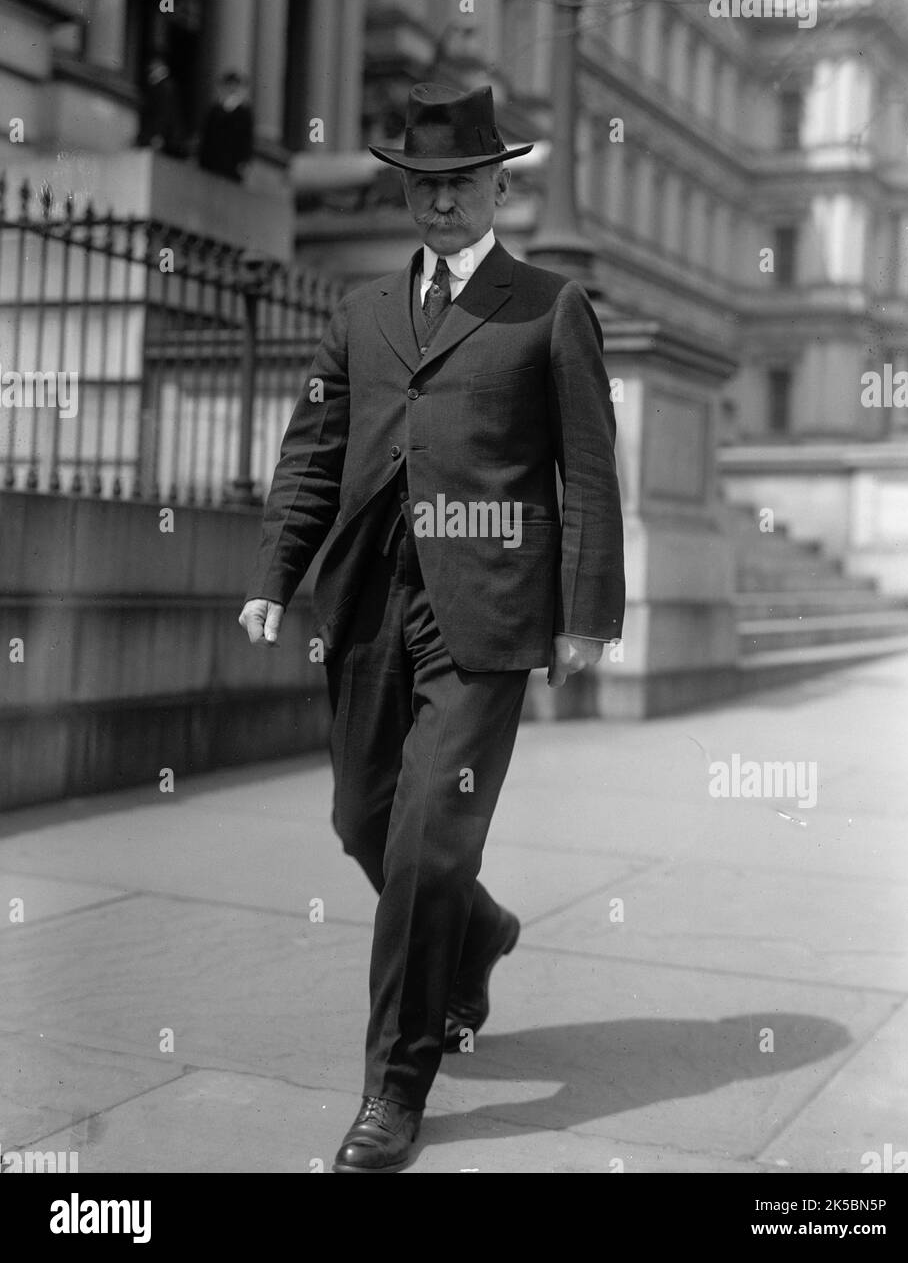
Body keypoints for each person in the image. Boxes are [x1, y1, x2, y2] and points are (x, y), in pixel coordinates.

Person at [238, 82, 626, 1174]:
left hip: (487, 618)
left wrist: (587, 612)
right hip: (368, 605)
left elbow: (587, 469)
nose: (439, 203)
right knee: (364, 819)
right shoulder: (360, 313)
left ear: (502, 184)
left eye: (458, 184)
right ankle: (480, 930)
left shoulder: (549, 306)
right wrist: (277, 570)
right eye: (421, 186)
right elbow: (314, 453)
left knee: (422, 843)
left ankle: (394, 1090)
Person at [198, 70, 254, 182]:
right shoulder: (215, 109)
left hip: (232, 162)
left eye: (235, 85)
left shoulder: (244, 113)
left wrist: (244, 161)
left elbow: (247, 139)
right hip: (212, 160)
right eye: (229, 85)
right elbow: (207, 134)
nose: (232, 88)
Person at [136, 58, 186, 158]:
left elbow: (164, 113)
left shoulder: (165, 87)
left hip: (158, 136)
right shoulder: (161, 86)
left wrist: (158, 134)